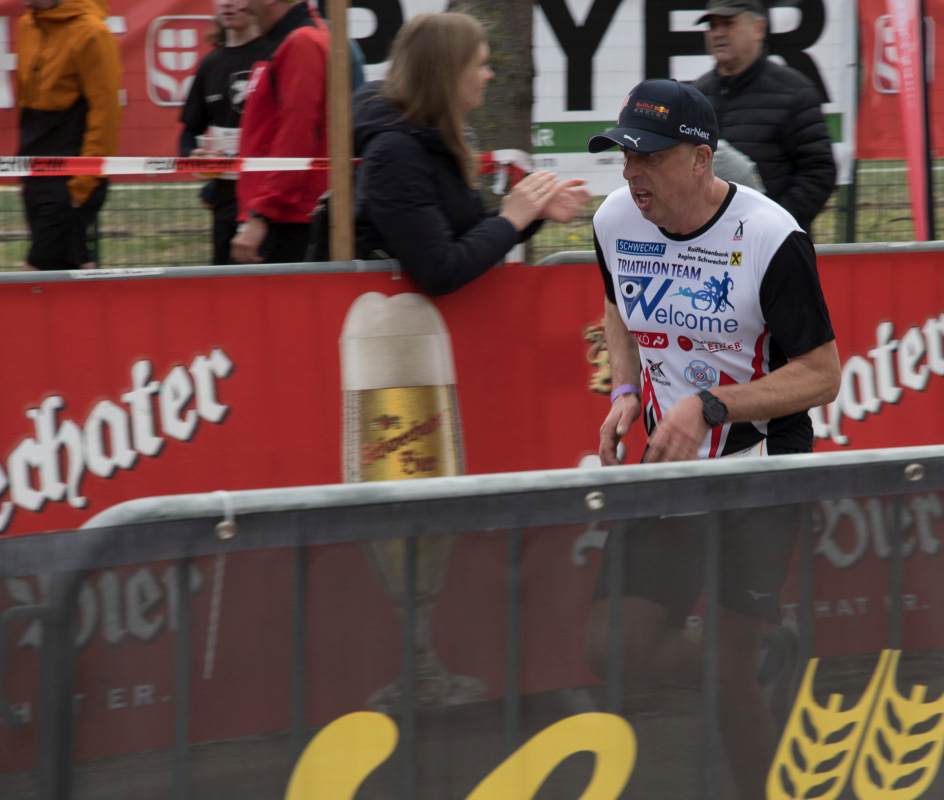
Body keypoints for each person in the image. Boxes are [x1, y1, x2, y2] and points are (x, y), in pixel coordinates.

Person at [583, 78, 840, 799]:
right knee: (611, 646)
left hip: (761, 460)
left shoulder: (771, 236)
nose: (631, 173)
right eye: (623, 156)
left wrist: (712, 406)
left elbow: (822, 374)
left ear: (701, 160)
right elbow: (616, 304)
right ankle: (763, 658)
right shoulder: (615, 219)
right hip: (672, 459)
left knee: (729, 680)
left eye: (649, 157)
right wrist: (625, 392)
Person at [351, 12, 588, 295]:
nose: (489, 75)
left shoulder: (431, 137)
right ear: (447, 73)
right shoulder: (394, 154)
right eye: (480, 64)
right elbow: (439, 269)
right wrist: (510, 220)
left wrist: (531, 211)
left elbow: (459, 236)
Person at [690, 0, 835, 233]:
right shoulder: (697, 95)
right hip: (710, 241)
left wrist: (773, 224)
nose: (718, 33)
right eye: (713, 26)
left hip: (773, 241)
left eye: (728, 23)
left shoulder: (794, 91)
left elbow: (819, 171)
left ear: (758, 28)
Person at [15, 0, 121, 271]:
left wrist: (84, 184)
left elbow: (106, 113)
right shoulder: (26, 25)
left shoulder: (92, 33)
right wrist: (24, 170)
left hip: (71, 177)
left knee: (36, 272)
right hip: (36, 173)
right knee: (73, 269)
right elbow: (27, 108)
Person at [230, 0, 329, 265]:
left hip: (287, 219)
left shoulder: (301, 42)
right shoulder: (292, 40)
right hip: (281, 213)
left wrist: (262, 213)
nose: (244, 7)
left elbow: (297, 136)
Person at [179, 0, 270, 265]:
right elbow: (189, 132)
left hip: (266, 199)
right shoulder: (210, 63)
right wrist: (194, 156)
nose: (227, 4)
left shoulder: (275, 53)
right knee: (225, 281)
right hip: (225, 200)